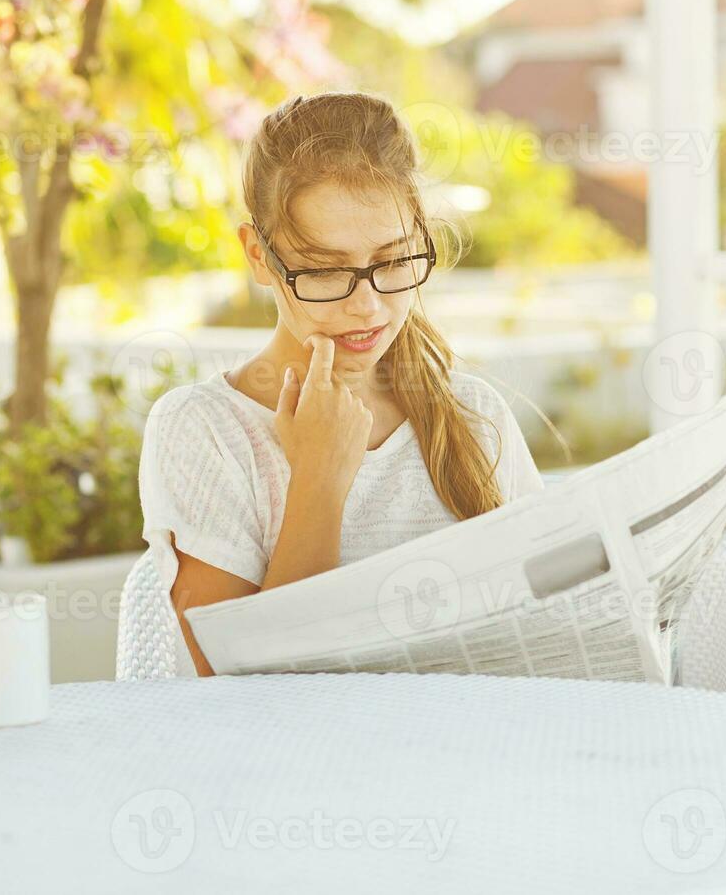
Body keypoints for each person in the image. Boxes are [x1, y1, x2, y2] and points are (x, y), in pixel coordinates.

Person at [138, 91, 548, 677]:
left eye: (393, 260)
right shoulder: (205, 430)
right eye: (326, 271)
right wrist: (320, 477)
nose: (368, 306)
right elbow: (240, 689)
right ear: (259, 256)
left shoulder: (473, 414)